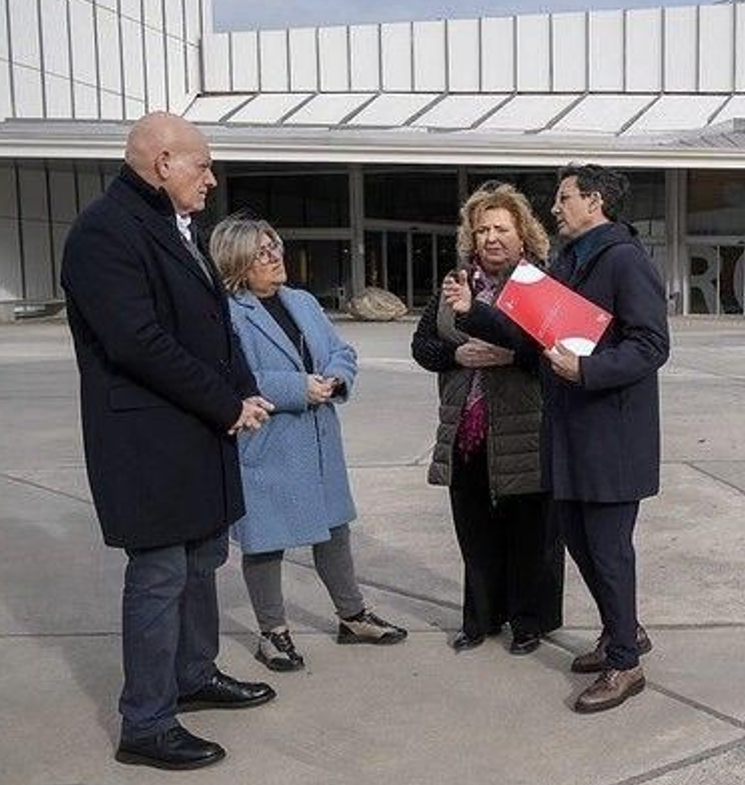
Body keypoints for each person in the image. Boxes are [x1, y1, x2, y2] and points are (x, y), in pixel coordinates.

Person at [60, 112, 276, 771]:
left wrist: (242, 387)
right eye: (202, 165)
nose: (212, 179)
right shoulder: (104, 233)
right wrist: (224, 402)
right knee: (158, 575)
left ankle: (193, 672)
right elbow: (138, 342)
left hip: (195, 438)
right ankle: (147, 721)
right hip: (149, 443)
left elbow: (214, 323)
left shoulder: (173, 229)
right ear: (162, 162)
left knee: (203, 559)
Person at [451, 162, 668, 713]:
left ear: (594, 201)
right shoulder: (572, 260)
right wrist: (472, 313)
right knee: (576, 539)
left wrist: (588, 371)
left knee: (608, 549)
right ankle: (624, 632)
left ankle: (625, 664)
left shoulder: (623, 260)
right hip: (570, 431)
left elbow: (650, 345)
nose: (555, 206)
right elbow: (530, 339)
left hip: (611, 436)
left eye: (565, 197)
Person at [209, 215, 407, 672]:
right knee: (265, 541)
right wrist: (299, 388)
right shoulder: (227, 312)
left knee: (336, 530)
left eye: (275, 244)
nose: (276, 255)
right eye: (262, 251)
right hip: (268, 440)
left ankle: (352, 615)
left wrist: (336, 378)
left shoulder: (301, 301)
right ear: (237, 259)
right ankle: (273, 633)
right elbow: (229, 376)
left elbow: (341, 351)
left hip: (318, 439)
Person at [413, 182, 564, 654]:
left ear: (524, 235)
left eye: (501, 228)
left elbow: (553, 354)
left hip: (524, 432)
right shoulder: (455, 285)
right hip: (466, 433)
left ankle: (527, 622)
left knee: (528, 536)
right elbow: (423, 348)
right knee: (474, 532)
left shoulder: (539, 287)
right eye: (482, 230)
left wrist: (509, 356)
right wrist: (460, 357)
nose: (491, 238)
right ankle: (478, 620)